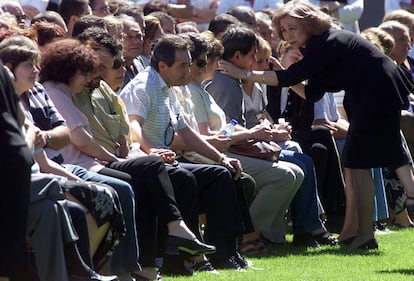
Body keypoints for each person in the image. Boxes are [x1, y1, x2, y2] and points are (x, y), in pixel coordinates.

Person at [218, 0, 414, 250]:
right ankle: (357, 231)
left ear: (310, 25)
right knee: (356, 163)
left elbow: (289, 77)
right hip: (371, 91)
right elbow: (310, 92)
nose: (288, 35)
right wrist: (281, 77)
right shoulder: (321, 44)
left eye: (293, 28)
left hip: (375, 91)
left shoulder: (324, 43)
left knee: (358, 162)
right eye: (284, 30)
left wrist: (243, 74)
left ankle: (368, 231)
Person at [39, 38, 214, 281]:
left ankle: (149, 264)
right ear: (71, 69)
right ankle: (134, 263)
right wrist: (114, 159)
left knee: (148, 179)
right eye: (86, 72)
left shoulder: (69, 92)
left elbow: (121, 128)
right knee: (140, 176)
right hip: (81, 164)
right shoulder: (55, 92)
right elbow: (81, 141)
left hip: (93, 162)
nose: (89, 78)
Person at [119, 33, 250, 270]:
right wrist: (153, 151)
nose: (188, 70)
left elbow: (187, 133)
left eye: (189, 63)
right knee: (184, 178)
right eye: (183, 65)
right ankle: (184, 257)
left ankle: (225, 253)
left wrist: (221, 158)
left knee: (220, 173)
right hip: (148, 165)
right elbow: (133, 126)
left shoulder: (168, 88)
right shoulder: (143, 86)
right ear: (162, 65)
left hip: (166, 162)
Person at [0, 59, 33, 281]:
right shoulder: (2, 71)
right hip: (16, 155)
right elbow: (21, 118)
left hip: (4, 160)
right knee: (10, 248)